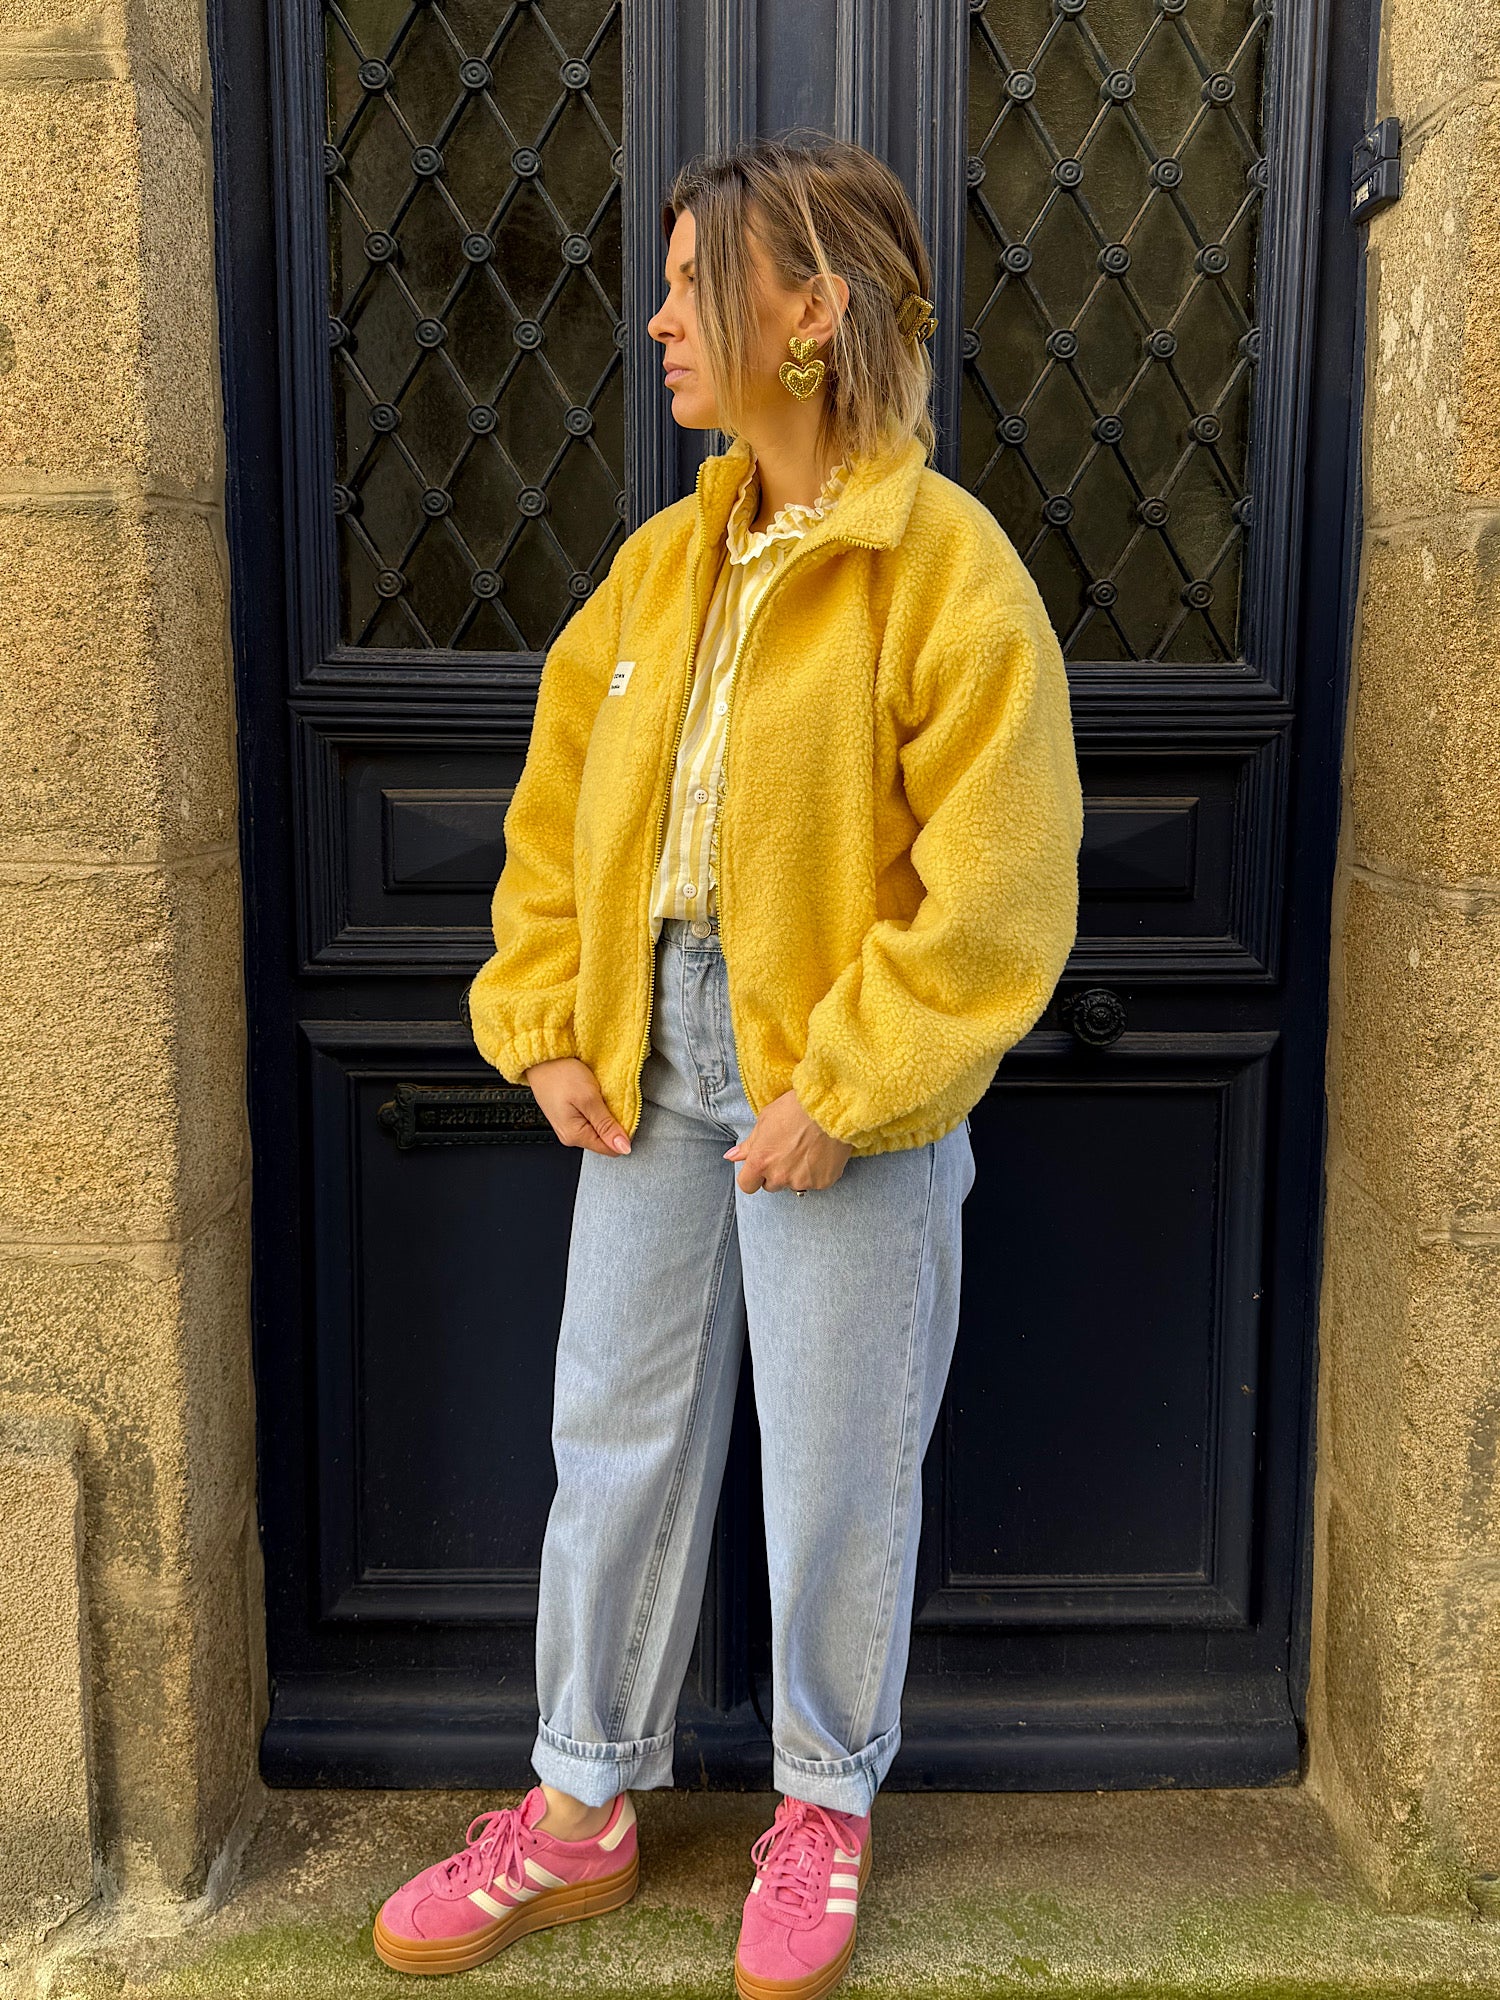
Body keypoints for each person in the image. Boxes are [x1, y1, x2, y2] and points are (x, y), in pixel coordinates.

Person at [373, 133, 1083, 1996]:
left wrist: (849, 1085)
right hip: (651, 1066)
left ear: (811, 310)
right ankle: (579, 1805)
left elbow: (1002, 888)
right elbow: (557, 812)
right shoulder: (663, 567)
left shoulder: (944, 572)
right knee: (608, 1434)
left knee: (842, 1462)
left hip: (840, 1079)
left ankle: (825, 1803)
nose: (662, 318)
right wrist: (548, 1016)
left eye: (697, 281)